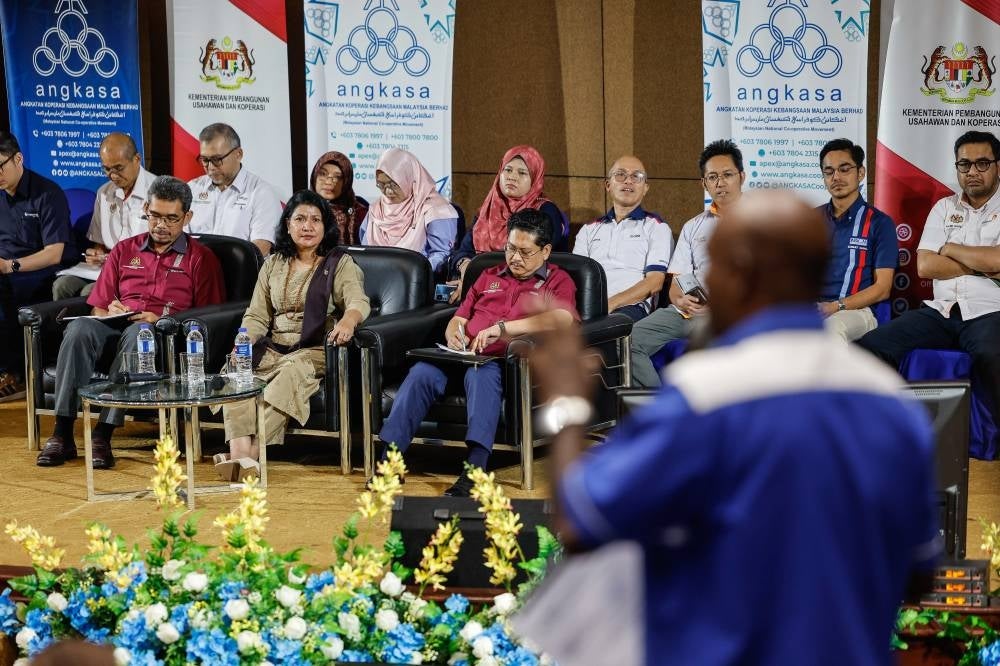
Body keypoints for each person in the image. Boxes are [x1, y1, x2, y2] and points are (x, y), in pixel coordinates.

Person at [528, 190, 940, 666]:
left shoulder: (706, 396)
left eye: (715, 268)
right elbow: (919, 573)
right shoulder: (889, 401)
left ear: (740, 276)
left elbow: (581, 520)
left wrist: (564, 404)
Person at [378, 208, 578, 496]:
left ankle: (475, 470)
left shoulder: (558, 281)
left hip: (504, 364)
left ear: (545, 251)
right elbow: (459, 317)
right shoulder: (487, 275)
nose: (514, 258)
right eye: (510, 248)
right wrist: (454, 333)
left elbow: (562, 318)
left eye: (524, 251)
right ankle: (390, 462)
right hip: (461, 356)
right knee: (422, 372)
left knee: (481, 375)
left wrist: (503, 328)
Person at [36, 176, 225, 469]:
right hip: (115, 324)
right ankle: (62, 433)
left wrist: (164, 319)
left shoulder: (201, 258)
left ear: (187, 217)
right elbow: (97, 307)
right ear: (146, 209)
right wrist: (110, 310)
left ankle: (102, 434)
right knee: (78, 329)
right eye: (155, 216)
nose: (161, 225)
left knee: (141, 333)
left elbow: (210, 316)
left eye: (172, 218)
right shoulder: (125, 250)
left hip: (161, 334)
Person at [217, 189, 370, 480]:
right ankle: (239, 453)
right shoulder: (273, 263)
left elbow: (357, 300)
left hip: (313, 349)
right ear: (287, 224)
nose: (307, 226)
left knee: (289, 373)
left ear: (326, 227)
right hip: (272, 347)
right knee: (237, 371)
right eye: (300, 218)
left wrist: (349, 321)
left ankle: (248, 458)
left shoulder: (339, 263)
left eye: (315, 220)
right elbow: (257, 315)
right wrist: (244, 341)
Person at [859, 130, 1000, 422]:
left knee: (993, 359)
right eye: (965, 164)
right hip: (941, 311)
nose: (972, 171)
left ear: (998, 165)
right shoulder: (944, 208)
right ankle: (873, 428)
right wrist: (983, 264)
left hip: (991, 312)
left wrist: (950, 249)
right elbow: (925, 266)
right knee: (867, 348)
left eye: (982, 163)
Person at [629, 139, 745, 387]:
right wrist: (680, 300)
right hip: (688, 312)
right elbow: (676, 281)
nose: (720, 183)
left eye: (727, 175)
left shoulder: (761, 221)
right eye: (712, 177)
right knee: (629, 341)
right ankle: (660, 410)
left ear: (742, 177)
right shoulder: (694, 227)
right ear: (703, 183)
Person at [0, 130, 73, 402]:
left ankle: (15, 374)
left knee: (6, 288)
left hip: (36, 269)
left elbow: (54, 253)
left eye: (0, 166)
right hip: (6, 265)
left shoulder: (47, 193)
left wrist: (10, 266)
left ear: (18, 158)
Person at [449, 145, 564, 300]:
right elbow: (462, 252)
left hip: (527, 291)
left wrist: (479, 279)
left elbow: (534, 260)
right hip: (479, 285)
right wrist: (466, 268)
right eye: (507, 170)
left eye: (522, 172)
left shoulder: (545, 212)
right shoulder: (486, 210)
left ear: (535, 178)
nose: (512, 177)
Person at [52, 132, 157, 300]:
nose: (113, 175)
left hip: (140, 269)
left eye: (118, 168)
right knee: (62, 286)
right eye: (107, 169)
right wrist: (96, 253)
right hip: (105, 268)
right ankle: (62, 327)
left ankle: (88, 327)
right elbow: (99, 243)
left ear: (137, 159)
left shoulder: (158, 191)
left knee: (90, 293)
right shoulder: (104, 193)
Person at [816, 138, 897, 341]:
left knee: (830, 330)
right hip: (813, 308)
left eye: (844, 169)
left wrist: (835, 306)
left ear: (861, 173)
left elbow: (882, 289)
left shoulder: (880, 223)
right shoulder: (811, 220)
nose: (836, 177)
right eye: (829, 172)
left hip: (857, 312)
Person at [573, 155, 671, 321]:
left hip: (631, 308)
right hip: (588, 306)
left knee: (607, 330)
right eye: (620, 175)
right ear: (608, 185)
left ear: (646, 187)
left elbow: (655, 282)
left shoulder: (656, 227)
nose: (628, 181)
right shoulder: (588, 230)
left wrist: (610, 303)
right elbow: (577, 277)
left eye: (636, 176)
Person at [186, 123, 281, 257]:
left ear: (238, 154)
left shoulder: (262, 193)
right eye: (205, 160)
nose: (211, 167)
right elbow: (179, 238)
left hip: (240, 274)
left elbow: (260, 248)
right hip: (196, 272)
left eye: (217, 159)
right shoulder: (192, 188)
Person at [360, 147, 457, 274]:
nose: (388, 191)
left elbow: (442, 256)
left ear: (410, 178)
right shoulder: (376, 209)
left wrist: (409, 273)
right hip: (375, 280)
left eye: (393, 184)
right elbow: (365, 252)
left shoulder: (436, 210)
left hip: (415, 282)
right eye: (381, 185)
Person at [309, 150, 368, 246]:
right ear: (314, 176)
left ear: (346, 182)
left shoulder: (361, 213)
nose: (329, 182)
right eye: (323, 174)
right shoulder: (301, 208)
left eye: (338, 177)